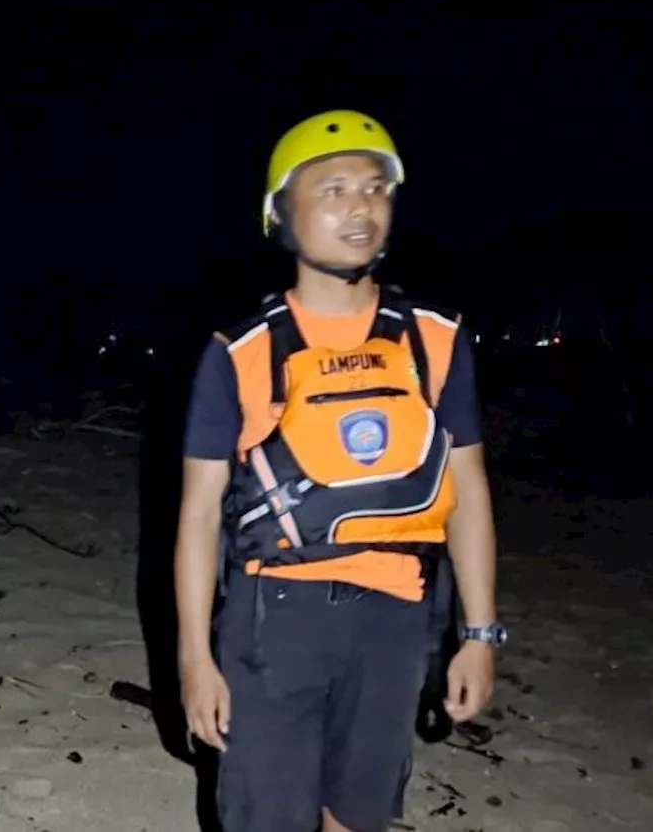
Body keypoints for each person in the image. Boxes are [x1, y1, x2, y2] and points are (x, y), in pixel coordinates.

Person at [174, 109, 503, 832]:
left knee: (358, 817)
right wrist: (195, 656)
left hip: (398, 619)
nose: (361, 205)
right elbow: (199, 514)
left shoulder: (436, 337)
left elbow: (468, 491)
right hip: (274, 623)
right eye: (333, 188)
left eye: (376, 187)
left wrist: (479, 635)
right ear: (281, 215)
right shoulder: (240, 351)